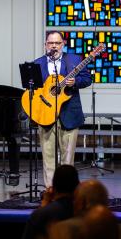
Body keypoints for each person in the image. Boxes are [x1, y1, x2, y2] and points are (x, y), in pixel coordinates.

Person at [33, 31, 92, 188]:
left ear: (63, 44)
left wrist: (75, 82)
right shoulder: (37, 63)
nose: (54, 46)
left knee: (68, 159)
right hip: (45, 115)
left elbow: (87, 79)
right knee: (48, 157)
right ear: (45, 45)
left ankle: (67, 191)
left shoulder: (74, 60)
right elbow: (32, 90)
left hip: (69, 114)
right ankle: (50, 190)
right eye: (50, 43)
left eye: (57, 43)